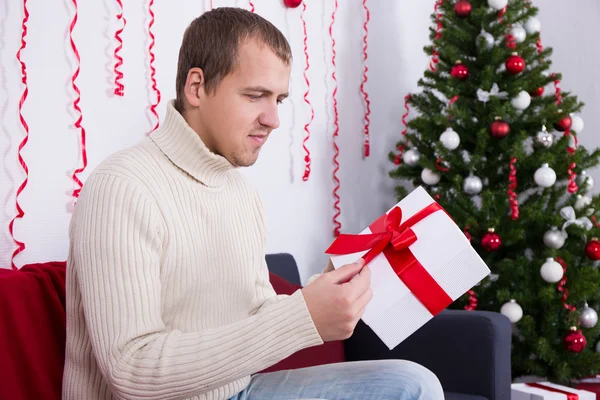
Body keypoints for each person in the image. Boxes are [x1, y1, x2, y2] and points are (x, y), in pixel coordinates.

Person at [62, 7, 444, 400]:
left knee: (412, 384)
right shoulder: (122, 188)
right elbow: (132, 371)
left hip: (237, 391)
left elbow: (255, 318)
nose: (274, 118)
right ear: (196, 88)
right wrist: (303, 316)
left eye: (279, 98)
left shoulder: (240, 192)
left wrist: (330, 285)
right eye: (255, 95)